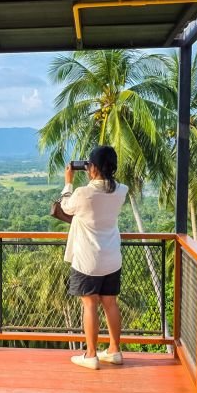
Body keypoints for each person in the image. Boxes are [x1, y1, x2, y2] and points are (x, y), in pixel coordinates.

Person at [59, 145, 128, 369]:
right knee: (110, 303)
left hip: (88, 259)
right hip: (112, 257)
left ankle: (91, 355)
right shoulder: (121, 191)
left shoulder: (83, 193)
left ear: (94, 168)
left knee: (89, 304)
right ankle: (115, 350)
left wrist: (68, 182)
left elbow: (66, 207)